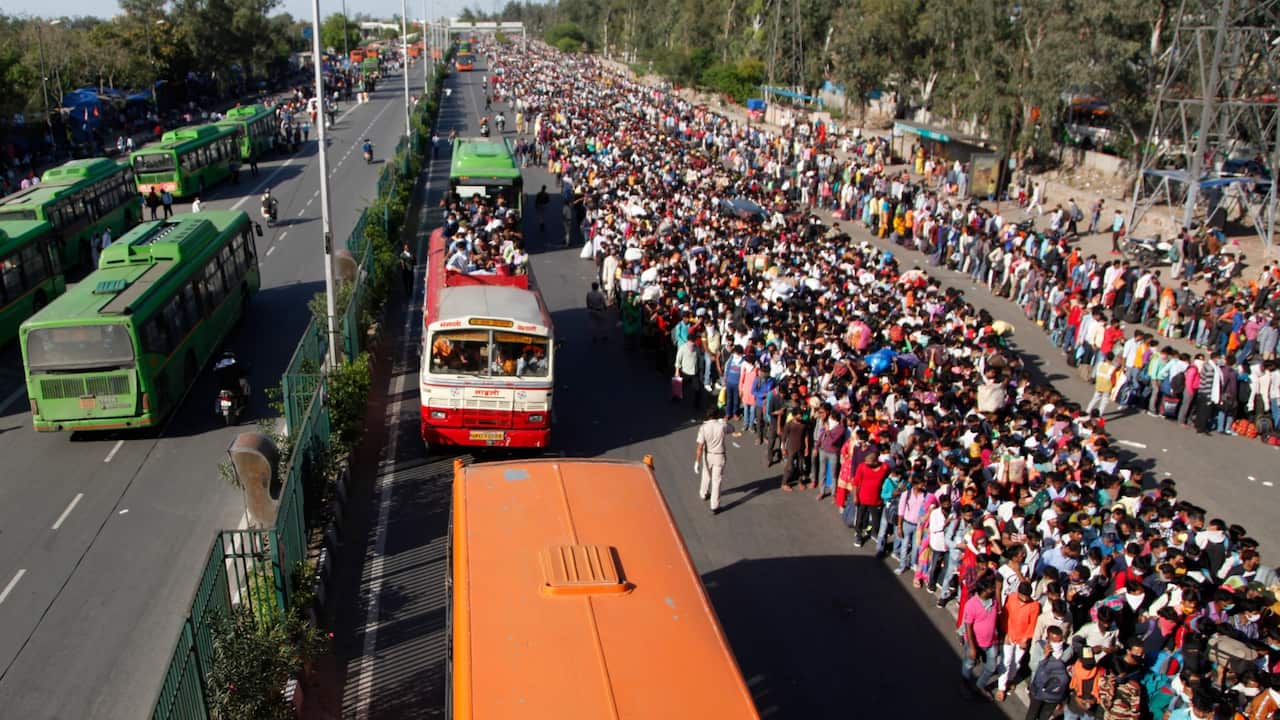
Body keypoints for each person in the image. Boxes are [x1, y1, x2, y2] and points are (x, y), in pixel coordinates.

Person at [961, 577, 1001, 700]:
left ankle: (980, 685)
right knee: (969, 664)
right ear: (983, 591)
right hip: (975, 642)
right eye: (991, 588)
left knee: (991, 666)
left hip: (991, 641)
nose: (993, 590)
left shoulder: (993, 601)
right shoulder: (971, 605)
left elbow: (997, 618)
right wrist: (972, 648)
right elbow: (968, 626)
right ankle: (965, 685)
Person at [694, 407, 732, 514]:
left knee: (706, 474)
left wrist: (697, 461)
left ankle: (703, 493)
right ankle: (714, 505)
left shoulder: (703, 427)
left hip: (708, 454)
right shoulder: (722, 426)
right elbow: (732, 429)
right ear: (717, 415)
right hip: (719, 455)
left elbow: (700, 446)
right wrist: (724, 421)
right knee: (716, 480)